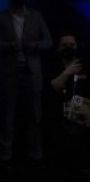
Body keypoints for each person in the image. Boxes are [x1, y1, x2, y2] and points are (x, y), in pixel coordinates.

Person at [45, 31, 90, 182]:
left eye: (71, 45)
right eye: (64, 45)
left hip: (85, 121)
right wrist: (67, 72)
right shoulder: (53, 65)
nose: (68, 48)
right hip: (60, 121)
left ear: (77, 46)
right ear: (58, 48)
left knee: (83, 158)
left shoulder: (88, 65)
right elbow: (54, 86)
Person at [0, 0, 52, 164]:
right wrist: (9, 45)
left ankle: (35, 156)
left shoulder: (36, 16)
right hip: (9, 73)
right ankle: (5, 157)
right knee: (7, 117)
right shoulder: (2, 17)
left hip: (32, 74)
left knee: (35, 116)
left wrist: (34, 45)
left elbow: (48, 42)